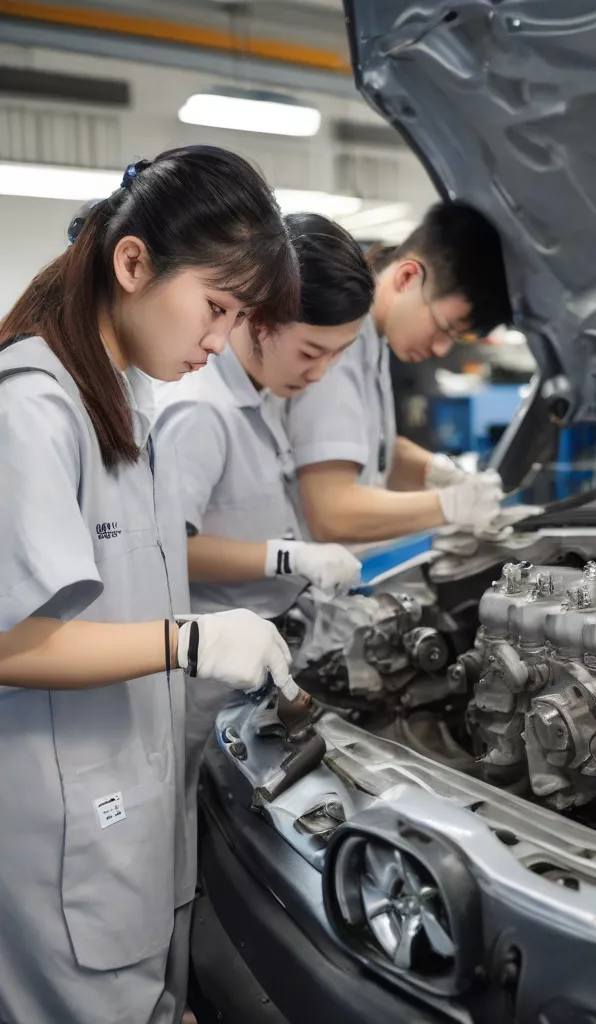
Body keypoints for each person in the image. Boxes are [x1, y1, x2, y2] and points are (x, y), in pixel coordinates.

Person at [0, 146, 302, 1024]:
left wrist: (277, 570)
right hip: (66, 845)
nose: (217, 343)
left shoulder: (119, 401)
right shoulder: (33, 407)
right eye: (214, 308)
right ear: (132, 262)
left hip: (129, 824)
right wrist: (190, 641)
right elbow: (11, 642)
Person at [152, 214, 374, 769]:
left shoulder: (260, 395)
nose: (321, 373)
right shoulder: (201, 411)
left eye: (338, 354)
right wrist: (288, 556)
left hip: (250, 668)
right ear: (257, 321)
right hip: (206, 679)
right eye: (309, 352)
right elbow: (163, 549)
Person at [285, 200, 514, 544]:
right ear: (408, 277)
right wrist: (450, 505)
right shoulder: (336, 346)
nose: (441, 350)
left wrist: (440, 474)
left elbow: (366, 448)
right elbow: (332, 513)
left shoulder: (373, 341)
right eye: (445, 328)